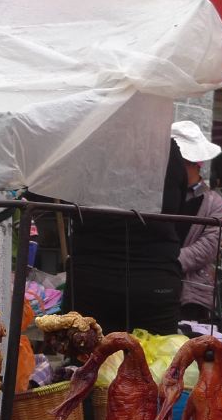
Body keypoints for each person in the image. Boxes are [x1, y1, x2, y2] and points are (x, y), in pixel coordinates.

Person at [69, 139, 186, 335]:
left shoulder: (90, 143)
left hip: (93, 274)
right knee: (156, 361)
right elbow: (177, 210)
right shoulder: (167, 147)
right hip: (155, 276)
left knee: (89, 360)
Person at [171, 121, 222, 321]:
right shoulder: (160, 194)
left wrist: (168, 260)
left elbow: (208, 247)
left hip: (192, 293)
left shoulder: (214, 203)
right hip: (158, 283)